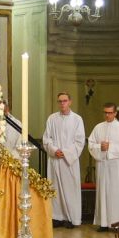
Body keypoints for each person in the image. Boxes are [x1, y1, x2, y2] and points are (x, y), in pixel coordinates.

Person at [43, 92, 85, 226]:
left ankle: (71, 218)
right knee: (55, 188)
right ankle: (56, 217)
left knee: (70, 189)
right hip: (55, 159)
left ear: (70, 102)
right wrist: (55, 150)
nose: (62, 103)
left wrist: (65, 153)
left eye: (65, 101)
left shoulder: (77, 119)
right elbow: (46, 138)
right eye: (60, 101)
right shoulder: (52, 119)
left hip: (69, 161)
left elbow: (79, 141)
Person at [86, 103, 119, 229]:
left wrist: (110, 148)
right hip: (102, 164)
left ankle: (118, 223)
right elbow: (91, 144)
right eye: (105, 112)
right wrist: (99, 147)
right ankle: (103, 223)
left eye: (110, 112)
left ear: (115, 113)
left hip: (116, 164)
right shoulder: (98, 127)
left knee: (116, 193)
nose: (107, 115)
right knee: (102, 193)